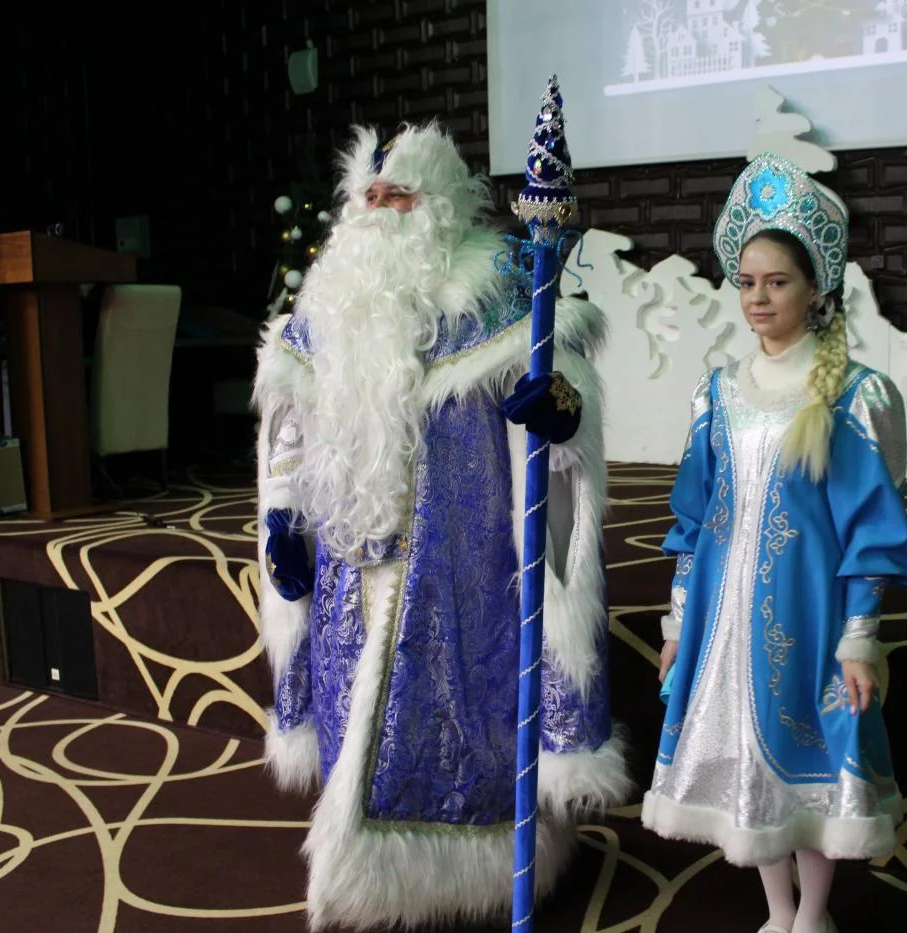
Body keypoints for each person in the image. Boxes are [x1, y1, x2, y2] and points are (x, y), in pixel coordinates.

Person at [251, 120, 631, 931]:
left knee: (460, 725)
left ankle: (473, 873)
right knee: (355, 711)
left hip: (464, 571)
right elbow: (289, 430)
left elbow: (562, 421)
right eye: (369, 195)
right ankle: (375, 876)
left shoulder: (498, 299)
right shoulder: (325, 307)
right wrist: (284, 517)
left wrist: (559, 413)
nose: (379, 208)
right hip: (352, 568)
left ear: (441, 206)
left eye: (399, 195)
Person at [644, 153, 907, 933]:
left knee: (810, 760)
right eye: (746, 282)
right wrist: (678, 623)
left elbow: (871, 529)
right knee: (747, 768)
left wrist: (860, 636)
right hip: (722, 617)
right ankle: (777, 911)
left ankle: (814, 914)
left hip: (808, 613)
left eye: (777, 282)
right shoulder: (716, 392)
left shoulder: (854, 395)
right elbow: (694, 519)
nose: (758, 298)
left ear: (817, 288)